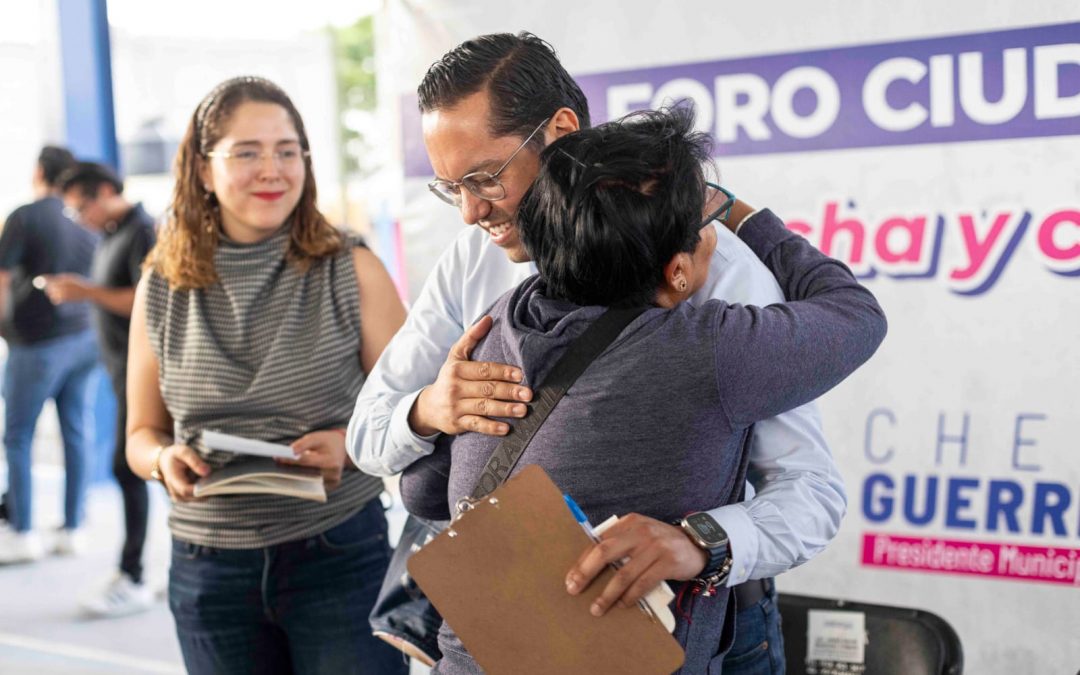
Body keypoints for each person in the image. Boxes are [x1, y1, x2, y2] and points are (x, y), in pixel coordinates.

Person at [347, 32, 845, 672]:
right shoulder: (473, 261)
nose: (470, 212)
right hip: (510, 627)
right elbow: (368, 434)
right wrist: (426, 410)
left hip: (692, 625)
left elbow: (810, 488)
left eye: (485, 177)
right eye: (450, 188)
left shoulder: (711, 262)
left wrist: (703, 542)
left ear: (559, 130)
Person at [124, 76, 408, 674]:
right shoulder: (162, 284)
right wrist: (160, 461)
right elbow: (141, 433)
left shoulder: (352, 269)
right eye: (246, 152)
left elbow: (415, 414)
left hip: (339, 554)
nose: (272, 169)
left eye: (287, 150)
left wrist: (351, 449)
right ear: (203, 170)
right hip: (208, 568)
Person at [42, 162, 157, 616]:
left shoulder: (142, 231)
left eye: (81, 207)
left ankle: (133, 575)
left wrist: (84, 293)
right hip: (119, 369)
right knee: (136, 471)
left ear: (106, 191)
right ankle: (142, 570)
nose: (81, 218)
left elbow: (144, 299)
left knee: (128, 467)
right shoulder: (111, 232)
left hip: (144, 374)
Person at [0, 146, 99, 564]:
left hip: (37, 344)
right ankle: (72, 527)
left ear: (39, 171)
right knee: (75, 430)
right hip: (84, 339)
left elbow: (1, 279)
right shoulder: (85, 222)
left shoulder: (26, 215)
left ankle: (23, 532)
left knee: (18, 435)